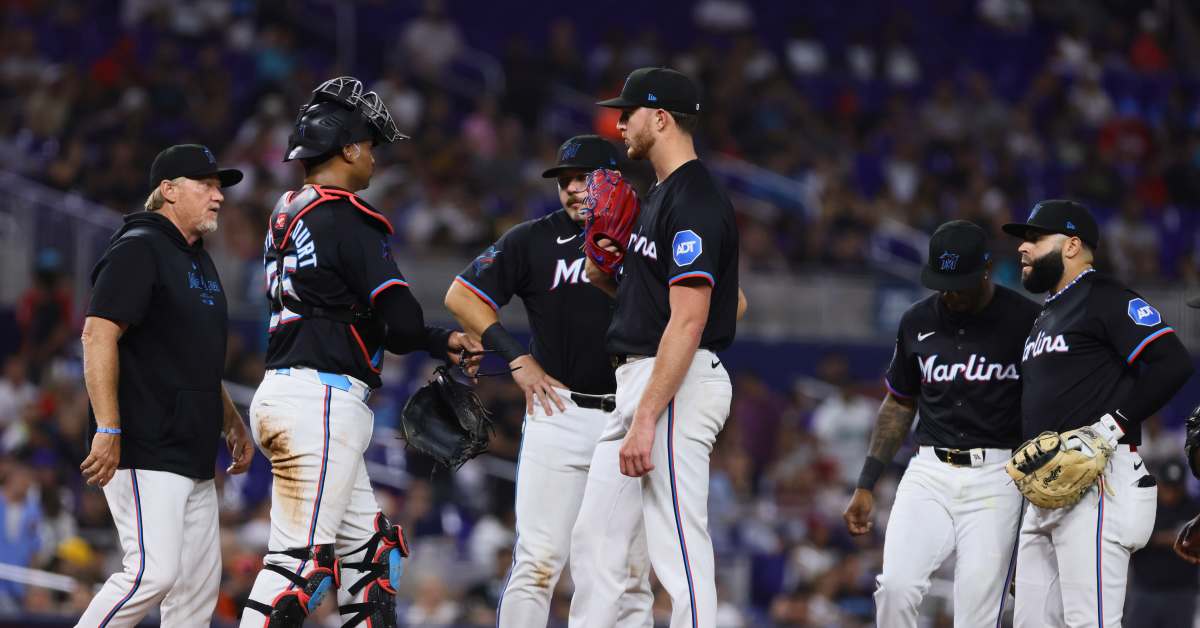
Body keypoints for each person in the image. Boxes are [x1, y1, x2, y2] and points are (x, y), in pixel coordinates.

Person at [239, 76, 480, 627]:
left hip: (291, 390)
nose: (373, 155)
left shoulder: (287, 209)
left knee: (370, 560)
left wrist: (435, 339)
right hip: (320, 399)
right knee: (296, 564)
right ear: (346, 149)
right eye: (369, 144)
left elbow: (342, 303)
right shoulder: (347, 217)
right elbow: (399, 324)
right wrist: (436, 336)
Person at [443, 134, 652, 627]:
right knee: (537, 562)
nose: (572, 189)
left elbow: (723, 300)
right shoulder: (533, 239)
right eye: (564, 181)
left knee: (627, 572)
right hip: (560, 413)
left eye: (584, 178)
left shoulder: (647, 234)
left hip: (631, 415)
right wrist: (517, 358)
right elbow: (461, 296)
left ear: (614, 181)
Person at [582, 66, 741, 628]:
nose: (619, 122)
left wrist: (648, 416)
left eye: (628, 112)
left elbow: (690, 320)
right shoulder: (660, 194)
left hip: (672, 382)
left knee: (677, 545)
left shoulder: (694, 198)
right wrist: (615, 277)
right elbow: (733, 302)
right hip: (645, 379)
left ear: (662, 118)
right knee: (598, 542)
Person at [75, 144, 254, 627]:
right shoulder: (139, 247)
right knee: (150, 574)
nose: (218, 196)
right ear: (169, 191)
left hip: (192, 448)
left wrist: (230, 419)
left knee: (196, 593)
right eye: (206, 185)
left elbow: (192, 355)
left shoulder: (197, 259)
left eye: (219, 187)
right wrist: (109, 428)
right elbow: (97, 334)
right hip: (144, 443)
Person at [1002, 199, 1194, 627]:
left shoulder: (1104, 296)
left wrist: (1110, 427)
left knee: (1089, 622)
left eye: (1035, 238)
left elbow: (1173, 362)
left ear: (1072, 245)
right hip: (1047, 487)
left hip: (1097, 478)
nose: (1023, 248)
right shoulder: (1046, 315)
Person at [842, 220, 1038, 627]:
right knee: (894, 588)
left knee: (975, 612)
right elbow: (898, 404)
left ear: (985, 270)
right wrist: (866, 482)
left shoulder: (1026, 321)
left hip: (998, 475)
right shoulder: (916, 320)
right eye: (942, 283)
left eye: (959, 283)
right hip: (929, 470)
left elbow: (1045, 403)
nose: (949, 293)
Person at [1127, 460, 1199, 628]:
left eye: (1176, 488)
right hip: (1145, 592)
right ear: (1159, 484)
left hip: (1182, 594)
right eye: (1167, 487)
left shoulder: (1193, 509)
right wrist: (1162, 539)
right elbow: (1131, 539)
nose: (1171, 493)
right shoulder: (1144, 507)